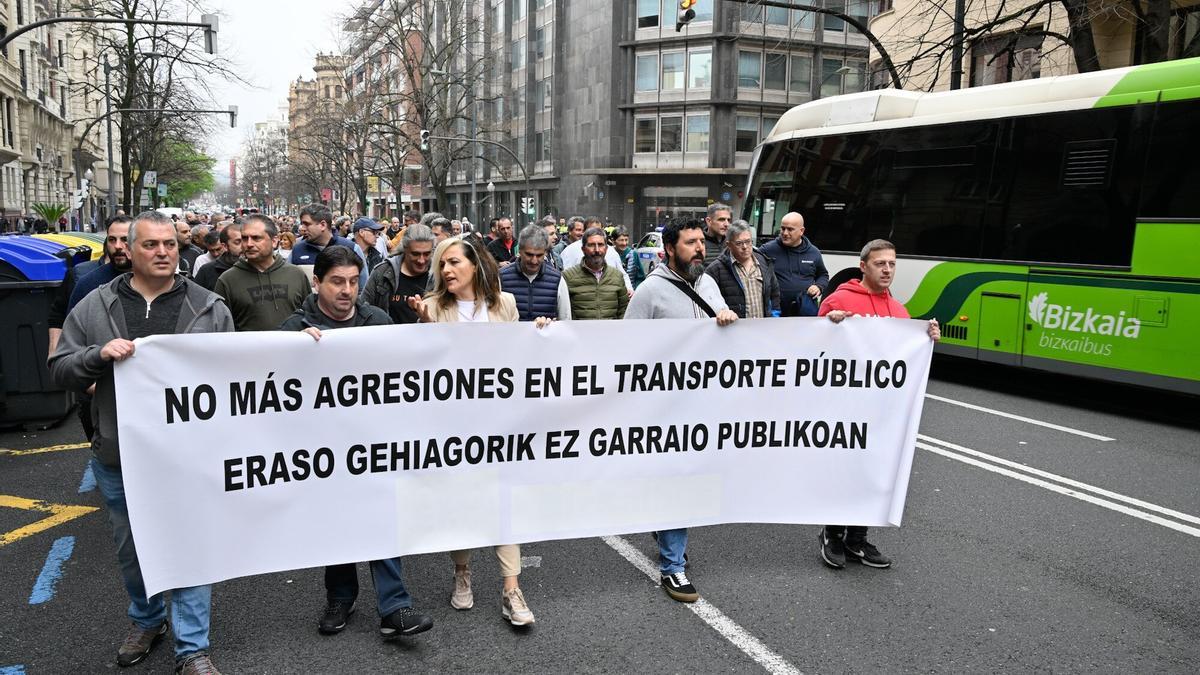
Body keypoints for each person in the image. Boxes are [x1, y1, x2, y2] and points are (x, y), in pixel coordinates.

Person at [49, 210, 234, 675]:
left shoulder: (210, 307)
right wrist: (96, 356)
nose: (163, 252)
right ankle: (147, 620)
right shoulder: (94, 306)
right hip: (120, 454)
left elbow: (237, 376)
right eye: (150, 245)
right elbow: (59, 367)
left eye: (169, 244)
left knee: (189, 546)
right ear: (127, 250)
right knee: (134, 550)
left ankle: (192, 648)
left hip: (189, 457)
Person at [278, 246, 435, 640]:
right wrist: (292, 350)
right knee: (337, 524)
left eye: (353, 281)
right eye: (337, 282)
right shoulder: (293, 328)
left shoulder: (376, 320)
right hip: (323, 448)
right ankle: (340, 598)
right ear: (317, 283)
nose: (347, 290)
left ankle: (394, 607)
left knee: (382, 519)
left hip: (373, 443)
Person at [405, 237, 535, 626]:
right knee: (461, 504)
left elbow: (519, 358)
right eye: (441, 264)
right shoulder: (430, 308)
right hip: (452, 427)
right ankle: (462, 573)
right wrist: (424, 329)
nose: (445, 270)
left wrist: (540, 333)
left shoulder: (505, 304)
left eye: (454, 262)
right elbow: (419, 369)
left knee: (503, 505)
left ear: (475, 265)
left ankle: (511, 589)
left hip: (498, 424)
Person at [623, 217, 738, 604]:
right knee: (679, 481)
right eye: (690, 243)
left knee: (688, 479)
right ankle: (673, 567)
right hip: (664, 409)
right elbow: (628, 347)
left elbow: (724, 323)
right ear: (670, 249)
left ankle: (665, 529)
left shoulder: (706, 283)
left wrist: (726, 319)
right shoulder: (649, 292)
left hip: (701, 405)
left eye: (701, 242)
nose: (700, 248)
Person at [817, 239, 940, 570]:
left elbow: (905, 358)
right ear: (863, 267)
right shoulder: (840, 299)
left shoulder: (899, 310)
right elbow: (815, 344)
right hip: (844, 407)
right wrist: (830, 323)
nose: (887, 270)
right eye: (880, 264)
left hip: (881, 412)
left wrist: (927, 335)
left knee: (872, 472)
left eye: (892, 264)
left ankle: (857, 538)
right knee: (843, 471)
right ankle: (833, 533)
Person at [214, 215, 311, 331]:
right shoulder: (227, 280)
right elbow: (220, 328)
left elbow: (310, 316)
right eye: (244, 238)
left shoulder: (296, 274)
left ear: (274, 241)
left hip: (292, 347)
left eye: (256, 238)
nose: (249, 244)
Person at [704, 220, 780, 319]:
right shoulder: (716, 269)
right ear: (729, 245)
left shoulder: (764, 262)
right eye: (739, 243)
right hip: (733, 329)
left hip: (763, 327)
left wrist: (774, 317)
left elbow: (774, 293)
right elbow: (709, 301)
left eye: (748, 242)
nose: (745, 247)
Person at [361, 224, 435, 325]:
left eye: (426, 254)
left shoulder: (438, 275)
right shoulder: (382, 272)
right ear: (405, 249)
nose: (421, 260)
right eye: (415, 254)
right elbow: (363, 309)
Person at [759, 211, 828, 317]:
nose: (785, 233)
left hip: (803, 313)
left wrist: (819, 286)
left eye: (790, 229)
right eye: (783, 228)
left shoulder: (813, 252)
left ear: (801, 231)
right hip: (776, 312)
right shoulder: (767, 250)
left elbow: (823, 275)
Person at [557, 227, 628, 320]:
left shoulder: (617, 276)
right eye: (591, 245)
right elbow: (562, 313)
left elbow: (623, 312)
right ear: (583, 249)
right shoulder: (568, 277)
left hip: (610, 333)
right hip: (579, 333)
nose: (597, 250)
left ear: (606, 249)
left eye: (601, 245)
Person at [499, 224, 561, 322]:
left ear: (545, 253)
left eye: (539, 255)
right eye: (529, 255)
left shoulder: (558, 279)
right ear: (519, 251)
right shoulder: (501, 277)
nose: (534, 261)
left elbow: (565, 321)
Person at [559, 218, 633, 291]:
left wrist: (628, 289)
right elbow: (565, 279)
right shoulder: (570, 251)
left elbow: (622, 275)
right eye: (592, 231)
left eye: (599, 231)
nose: (597, 250)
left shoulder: (612, 252)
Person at [290, 204, 355, 266]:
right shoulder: (297, 250)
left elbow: (362, 277)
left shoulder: (351, 248)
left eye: (307, 224)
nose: (302, 228)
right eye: (302, 224)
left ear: (323, 225)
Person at [194, 224, 243, 292]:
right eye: (238, 242)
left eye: (246, 240)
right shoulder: (207, 270)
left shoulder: (258, 267)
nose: (246, 245)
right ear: (225, 246)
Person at [351, 217, 386, 287]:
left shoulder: (377, 256)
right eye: (374, 232)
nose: (377, 236)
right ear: (361, 232)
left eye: (378, 233)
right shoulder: (346, 253)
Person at [701, 203, 733, 267]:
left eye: (728, 220)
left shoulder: (732, 242)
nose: (726, 224)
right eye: (721, 219)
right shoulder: (699, 243)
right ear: (709, 221)